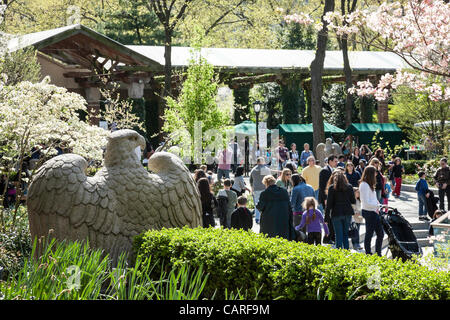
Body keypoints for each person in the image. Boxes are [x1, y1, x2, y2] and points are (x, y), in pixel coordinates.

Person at [257, 175, 297, 241]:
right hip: (283, 219)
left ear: (266, 183)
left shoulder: (264, 193)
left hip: (269, 221)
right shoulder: (284, 192)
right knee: (283, 238)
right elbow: (289, 205)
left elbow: (260, 207)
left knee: (269, 239)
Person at [325, 171, 356, 249]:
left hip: (336, 213)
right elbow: (353, 201)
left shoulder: (332, 188)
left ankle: (339, 254)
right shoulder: (349, 187)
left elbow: (329, 204)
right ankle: (346, 252)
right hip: (347, 212)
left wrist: (326, 217)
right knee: (345, 234)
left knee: (338, 235)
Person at [359, 165, 384, 256]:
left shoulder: (369, 184)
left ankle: (378, 253)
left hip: (373, 211)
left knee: (380, 233)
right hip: (369, 212)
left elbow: (373, 198)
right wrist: (378, 205)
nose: (376, 174)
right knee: (369, 233)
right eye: (375, 173)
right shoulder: (364, 185)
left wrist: (378, 205)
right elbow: (365, 202)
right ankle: (368, 253)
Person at [319, 155, 338, 244]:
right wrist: (325, 199)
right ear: (330, 161)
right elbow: (322, 186)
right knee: (328, 219)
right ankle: (327, 238)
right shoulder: (324, 171)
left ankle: (332, 237)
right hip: (326, 198)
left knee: (331, 218)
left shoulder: (333, 170)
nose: (336, 163)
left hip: (332, 197)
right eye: (335, 161)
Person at [250, 157, 272, 224]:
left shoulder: (253, 170)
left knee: (257, 203)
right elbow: (270, 179)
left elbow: (251, 180)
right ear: (262, 161)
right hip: (264, 188)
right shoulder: (265, 169)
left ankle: (257, 218)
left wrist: (252, 187)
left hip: (256, 188)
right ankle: (265, 218)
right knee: (266, 203)